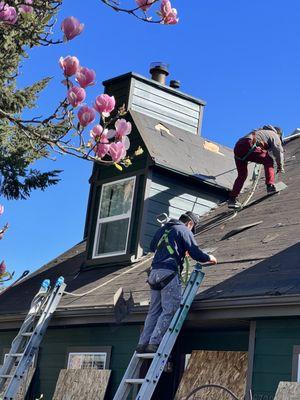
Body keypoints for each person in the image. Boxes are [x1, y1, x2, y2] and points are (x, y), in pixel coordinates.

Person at [136, 211, 217, 353]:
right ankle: (154, 343)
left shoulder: (163, 229)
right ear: (190, 223)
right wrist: (210, 257)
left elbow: (154, 247)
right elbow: (196, 253)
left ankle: (143, 343)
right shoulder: (184, 230)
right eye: (192, 228)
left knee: (154, 311)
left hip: (154, 273)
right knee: (170, 309)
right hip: (168, 273)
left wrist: (178, 248)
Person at [228, 125, 284, 209]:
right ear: (279, 134)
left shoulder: (261, 132)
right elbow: (278, 151)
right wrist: (280, 166)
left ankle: (232, 200)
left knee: (242, 175)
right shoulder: (274, 135)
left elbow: (263, 148)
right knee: (269, 161)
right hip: (249, 144)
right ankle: (270, 186)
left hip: (238, 147)